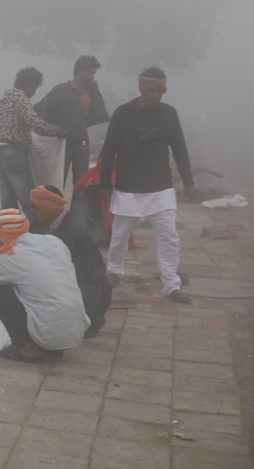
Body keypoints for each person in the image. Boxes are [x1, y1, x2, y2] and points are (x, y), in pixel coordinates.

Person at [100, 68, 197, 303]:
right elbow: (108, 149)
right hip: (128, 186)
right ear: (142, 88)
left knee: (169, 236)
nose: (154, 95)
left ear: (163, 90)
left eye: (159, 90)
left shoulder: (168, 113)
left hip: (161, 187)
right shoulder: (124, 113)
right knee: (120, 235)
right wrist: (104, 183)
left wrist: (189, 182)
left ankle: (171, 284)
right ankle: (114, 271)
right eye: (150, 90)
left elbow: (180, 149)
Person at [0, 209, 90, 363]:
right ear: (26, 224)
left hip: (49, 334)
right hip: (76, 330)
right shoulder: (54, 241)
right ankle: (52, 347)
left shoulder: (7, 257)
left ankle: (28, 349)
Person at [30, 185, 112, 338]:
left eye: (35, 208)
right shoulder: (34, 228)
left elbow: (87, 276)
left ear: (48, 207)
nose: (32, 212)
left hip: (88, 286)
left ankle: (93, 316)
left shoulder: (77, 233)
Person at [0, 67, 67, 222]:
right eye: (36, 87)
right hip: (15, 155)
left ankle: (9, 238)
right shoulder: (21, 98)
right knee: (30, 204)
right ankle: (35, 237)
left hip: (0, 154)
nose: (35, 92)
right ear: (32, 85)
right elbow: (34, 122)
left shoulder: (6, 100)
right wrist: (56, 131)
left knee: (8, 207)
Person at [36, 55, 109, 190]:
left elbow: (101, 115)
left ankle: (78, 211)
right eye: (90, 72)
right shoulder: (62, 90)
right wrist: (50, 131)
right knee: (57, 184)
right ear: (80, 70)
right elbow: (43, 108)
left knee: (81, 186)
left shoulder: (89, 91)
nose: (93, 76)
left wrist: (95, 89)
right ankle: (56, 210)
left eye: (94, 72)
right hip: (62, 145)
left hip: (82, 144)